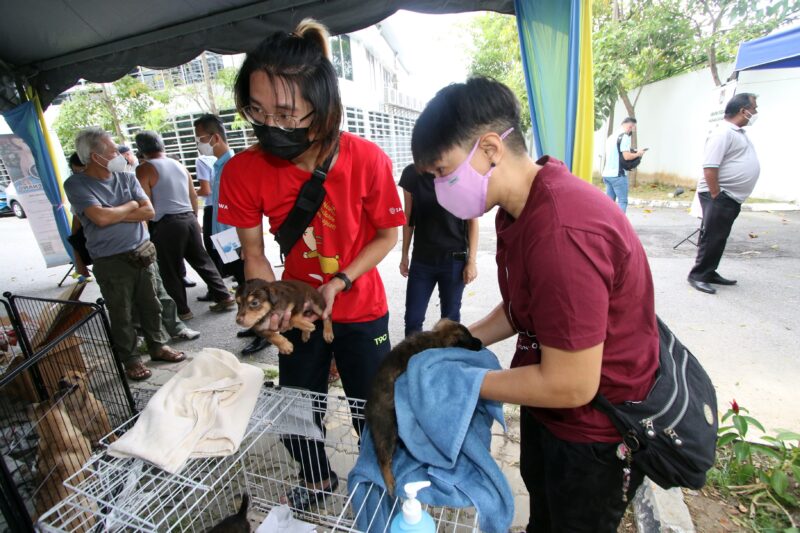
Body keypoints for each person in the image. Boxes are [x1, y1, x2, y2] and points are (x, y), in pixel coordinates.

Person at [411, 77, 659, 533]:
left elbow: (570, 385)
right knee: (543, 511)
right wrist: (453, 341)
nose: (438, 189)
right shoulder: (519, 206)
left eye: (442, 172)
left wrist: (463, 383)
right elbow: (519, 308)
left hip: (595, 430)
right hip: (551, 406)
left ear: (489, 149)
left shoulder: (563, 231)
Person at [218, 18, 405, 509]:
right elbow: (253, 252)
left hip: (362, 309)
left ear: (322, 108)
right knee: (299, 406)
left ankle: (379, 474)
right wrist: (270, 306)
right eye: (256, 111)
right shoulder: (241, 171)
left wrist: (342, 279)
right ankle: (316, 476)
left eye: (285, 113)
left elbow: (388, 235)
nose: (269, 126)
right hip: (297, 315)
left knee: (373, 405)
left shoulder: (367, 159)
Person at [64, 127, 186, 381]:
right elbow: (99, 217)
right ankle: (130, 359)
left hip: (141, 252)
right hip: (110, 260)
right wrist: (130, 205)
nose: (118, 154)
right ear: (94, 156)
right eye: (111, 150)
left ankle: (158, 345)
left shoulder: (127, 177)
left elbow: (148, 211)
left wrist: (115, 212)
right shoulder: (76, 183)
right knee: (122, 312)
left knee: (151, 304)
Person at [134, 131, 236, 320]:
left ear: (141, 149)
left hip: (166, 224)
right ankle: (224, 296)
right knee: (203, 260)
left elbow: (145, 203)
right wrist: (194, 220)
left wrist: (145, 232)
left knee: (170, 269)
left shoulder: (144, 169)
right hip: (188, 218)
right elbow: (192, 195)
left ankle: (182, 310)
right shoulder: (178, 165)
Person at [192, 114, 266, 354]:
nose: (198, 142)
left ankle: (264, 332)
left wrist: (243, 244)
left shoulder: (233, 164)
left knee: (251, 289)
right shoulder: (218, 164)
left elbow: (242, 210)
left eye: (200, 138)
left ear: (214, 137)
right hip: (225, 239)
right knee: (242, 287)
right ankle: (253, 326)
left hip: (236, 240)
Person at [688, 93, 760, 295]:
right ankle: (698, 275)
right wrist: (716, 194)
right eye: (753, 108)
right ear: (742, 110)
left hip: (729, 196)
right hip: (720, 194)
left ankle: (709, 272)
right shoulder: (723, 132)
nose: (755, 112)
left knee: (719, 236)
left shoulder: (737, 133)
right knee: (712, 236)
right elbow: (710, 166)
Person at [398, 163, 478, 338]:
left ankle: (447, 362)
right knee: (413, 319)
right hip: (422, 260)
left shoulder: (461, 173)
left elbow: (472, 221)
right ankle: (412, 363)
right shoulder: (412, 173)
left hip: (453, 261)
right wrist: (404, 255)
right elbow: (408, 217)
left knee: (450, 323)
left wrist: (471, 261)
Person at [601, 117, 646, 213]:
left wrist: (633, 151)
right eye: (633, 128)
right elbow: (626, 157)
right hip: (618, 175)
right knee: (623, 201)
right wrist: (639, 154)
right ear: (630, 126)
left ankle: (608, 225)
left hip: (607, 174)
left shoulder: (611, 137)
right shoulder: (624, 137)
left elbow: (616, 153)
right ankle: (620, 226)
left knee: (609, 203)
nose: (632, 130)